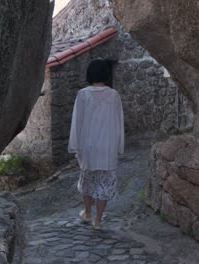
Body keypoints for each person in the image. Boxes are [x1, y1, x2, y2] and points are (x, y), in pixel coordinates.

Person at [68, 59, 124, 229]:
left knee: (87, 179)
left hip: (88, 145)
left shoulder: (82, 95)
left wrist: (74, 145)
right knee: (105, 182)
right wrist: (119, 145)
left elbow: (76, 122)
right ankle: (98, 220)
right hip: (107, 145)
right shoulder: (114, 95)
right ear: (106, 74)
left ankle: (87, 211)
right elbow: (118, 122)